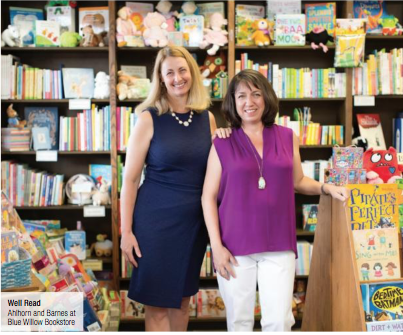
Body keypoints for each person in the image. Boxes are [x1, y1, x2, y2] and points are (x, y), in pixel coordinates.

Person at [201, 69, 350, 332]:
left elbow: (298, 181)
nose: (250, 102)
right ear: (233, 102)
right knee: (239, 322)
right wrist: (217, 247)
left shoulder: (287, 136)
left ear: (267, 98)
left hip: (279, 243)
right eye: (242, 96)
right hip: (234, 246)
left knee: (280, 321)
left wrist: (326, 187)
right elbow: (208, 197)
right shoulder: (222, 142)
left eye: (256, 94)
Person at [120, 46, 217, 331]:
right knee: (158, 304)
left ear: (192, 73)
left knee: (183, 300)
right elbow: (129, 180)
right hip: (155, 225)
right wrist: (126, 232)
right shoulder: (148, 119)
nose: (177, 78)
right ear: (161, 78)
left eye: (182, 70)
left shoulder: (207, 119)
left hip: (193, 226)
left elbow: (216, 169)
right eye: (170, 72)